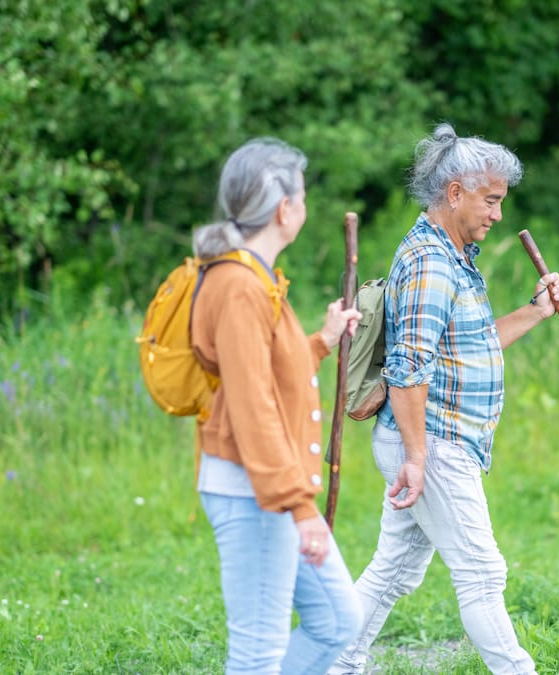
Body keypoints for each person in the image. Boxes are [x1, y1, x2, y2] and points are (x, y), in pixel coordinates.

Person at [329, 123, 559, 675]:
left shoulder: (451, 255)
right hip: (431, 442)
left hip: (429, 441)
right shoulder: (433, 263)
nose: (498, 215)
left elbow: (468, 347)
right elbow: (408, 368)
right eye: (491, 200)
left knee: (393, 570)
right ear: (455, 192)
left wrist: (536, 310)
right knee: (482, 573)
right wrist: (417, 458)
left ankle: (332, 664)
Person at [191, 137, 363, 674]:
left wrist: (321, 342)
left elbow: (266, 374)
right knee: (258, 654)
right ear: (285, 208)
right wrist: (299, 505)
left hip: (267, 487)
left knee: (338, 620)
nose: (306, 209)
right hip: (255, 492)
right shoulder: (239, 284)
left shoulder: (256, 279)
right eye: (304, 197)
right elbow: (252, 405)